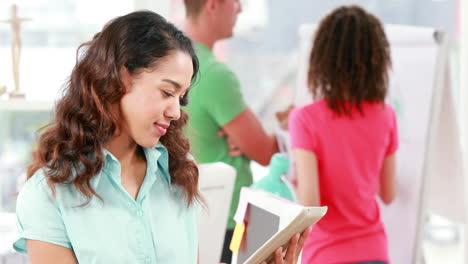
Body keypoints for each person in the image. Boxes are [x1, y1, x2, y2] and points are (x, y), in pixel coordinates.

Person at [12, 10, 309, 264]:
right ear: (120, 76)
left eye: (180, 97)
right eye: (167, 92)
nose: (176, 112)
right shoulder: (50, 193)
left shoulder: (178, 173)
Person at [289, 5, 398, 264]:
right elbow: (388, 194)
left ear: (322, 58)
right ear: (377, 58)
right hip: (375, 251)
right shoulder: (386, 115)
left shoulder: (305, 119)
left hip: (327, 254)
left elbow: (311, 206)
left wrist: (293, 180)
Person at [182, 1, 284, 262]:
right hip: (227, 222)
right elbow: (266, 152)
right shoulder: (214, 75)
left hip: (190, 217)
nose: (239, 9)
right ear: (213, 5)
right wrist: (290, 124)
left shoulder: (168, 61)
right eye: (235, 2)